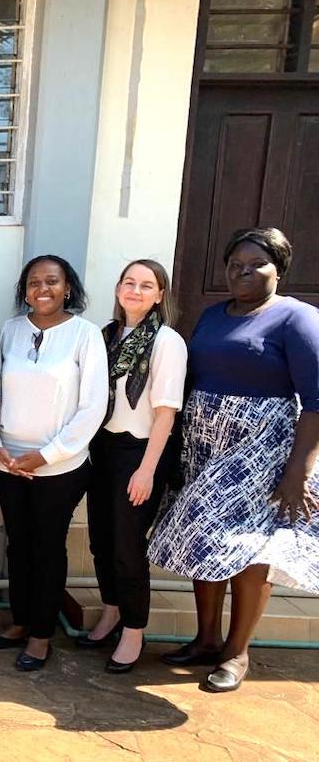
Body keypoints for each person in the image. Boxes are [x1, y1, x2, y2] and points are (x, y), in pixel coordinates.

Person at [149, 228, 319, 692]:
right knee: (207, 544)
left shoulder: (296, 319)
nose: (243, 271)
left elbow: (317, 400)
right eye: (235, 264)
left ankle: (237, 651)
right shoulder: (211, 317)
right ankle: (206, 639)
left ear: (278, 269)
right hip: (205, 446)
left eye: (256, 264)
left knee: (249, 549)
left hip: (261, 449)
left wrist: (298, 470)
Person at [0, 255, 108, 671]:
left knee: (47, 546)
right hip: (6, 461)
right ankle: (21, 622)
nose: (43, 289)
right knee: (17, 544)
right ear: (24, 290)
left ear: (67, 287)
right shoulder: (10, 330)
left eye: (52, 281)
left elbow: (93, 406)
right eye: (34, 282)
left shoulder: (85, 335)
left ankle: (41, 635)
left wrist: (46, 455)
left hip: (61, 465)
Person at [81, 260, 186, 673]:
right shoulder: (104, 337)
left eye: (147, 285)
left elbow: (165, 414)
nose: (136, 291)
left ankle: (134, 629)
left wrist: (146, 471)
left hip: (138, 454)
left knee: (127, 546)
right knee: (100, 541)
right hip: (101, 450)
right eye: (130, 282)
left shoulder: (166, 342)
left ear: (160, 295)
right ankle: (110, 610)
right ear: (118, 287)